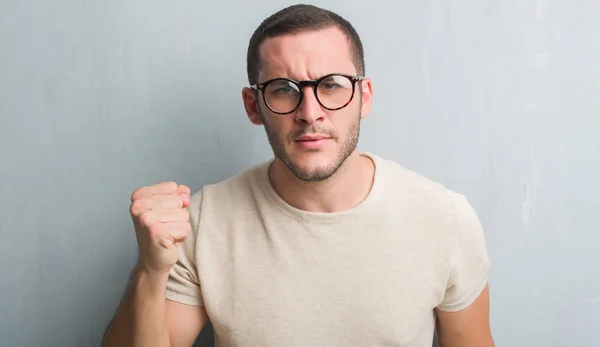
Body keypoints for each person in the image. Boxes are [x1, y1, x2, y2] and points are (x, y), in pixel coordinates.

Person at [102, 4, 494, 347]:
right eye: (284, 90)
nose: (310, 112)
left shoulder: (444, 219)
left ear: (364, 97)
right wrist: (151, 272)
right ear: (253, 106)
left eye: (332, 85)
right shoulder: (203, 223)